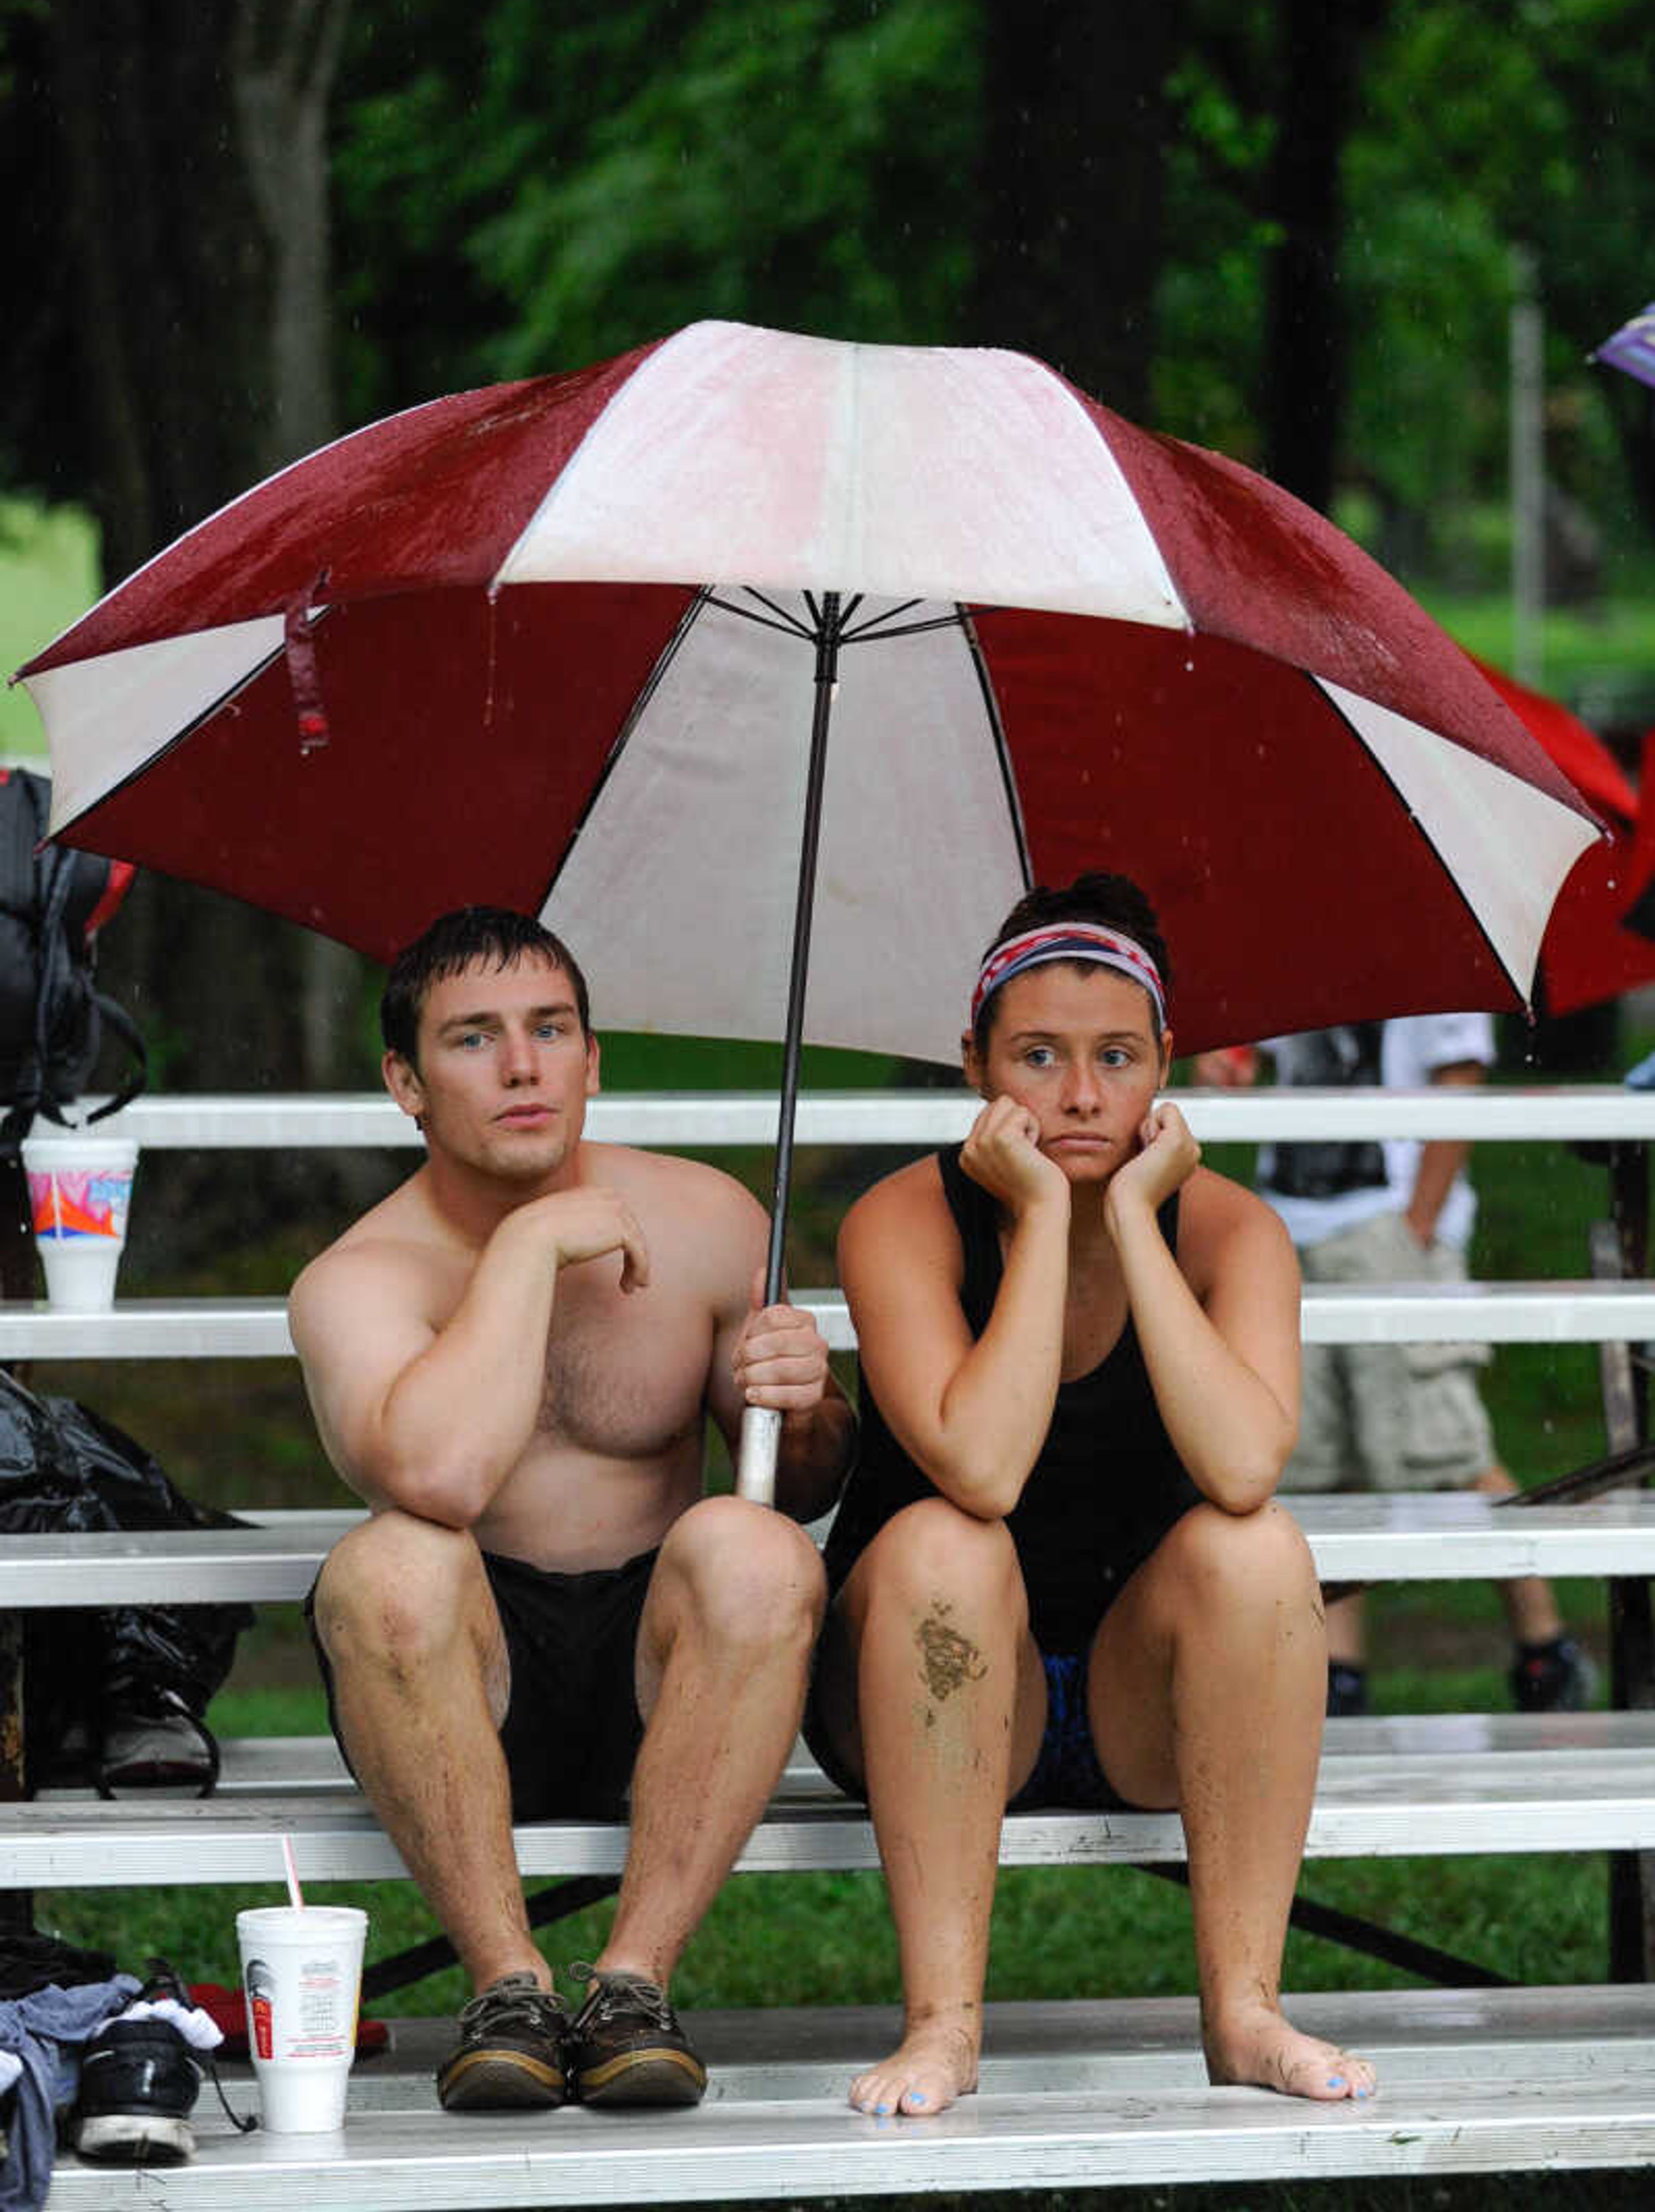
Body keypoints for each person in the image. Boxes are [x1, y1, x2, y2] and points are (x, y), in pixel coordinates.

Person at [805, 872, 1374, 2120]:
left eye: (1116, 1058)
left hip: (1142, 1699)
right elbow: (984, 1468)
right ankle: (944, 2026)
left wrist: (1128, 1215)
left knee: (1260, 1549)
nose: (1076, 1095)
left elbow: (1240, 1467)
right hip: (927, 1690)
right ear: (974, 1065)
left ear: (1167, 1063)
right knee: (948, 1543)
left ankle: (1244, 2011)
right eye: (1039, 1058)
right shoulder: (903, 1220)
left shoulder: (1230, 1231)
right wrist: (1040, 1227)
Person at [290, 906, 853, 2115]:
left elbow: (805, 1487)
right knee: (390, 1563)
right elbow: (438, 1478)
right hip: (462, 1689)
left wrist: (803, 1405)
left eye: (552, 1029)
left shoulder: (708, 1222)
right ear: (406, 1082)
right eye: (475, 1039)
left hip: (669, 1684)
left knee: (752, 1550)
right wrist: (532, 1246)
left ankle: (634, 1988)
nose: (524, 1065)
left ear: (595, 1059)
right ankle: (508, 1989)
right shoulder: (357, 1278)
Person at [1194, 1020, 1594, 1716]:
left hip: (1390, 1226)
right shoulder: (1286, 942)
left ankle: (1545, 1645)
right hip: (1284, 1223)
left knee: (1447, 1449)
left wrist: (1418, 1225)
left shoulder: (1428, 936)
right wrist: (1231, 1067)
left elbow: (1461, 1076)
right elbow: (1265, 1059)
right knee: (1317, 1463)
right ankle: (1339, 1668)